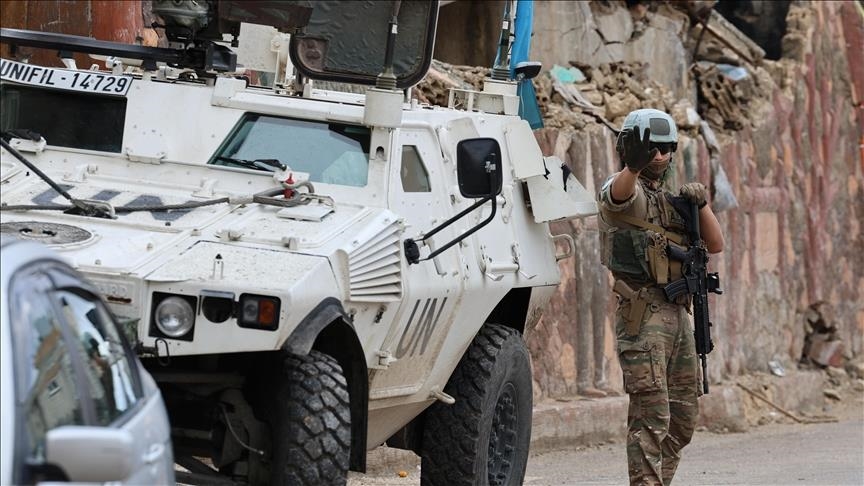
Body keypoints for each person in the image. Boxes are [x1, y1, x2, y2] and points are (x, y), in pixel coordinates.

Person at [597, 108, 724, 485]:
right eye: (651, 148)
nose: (659, 155)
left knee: (682, 421)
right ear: (631, 149)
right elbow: (618, 196)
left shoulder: (672, 200)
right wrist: (632, 167)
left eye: (666, 148)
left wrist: (701, 205)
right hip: (643, 316)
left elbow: (716, 243)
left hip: (678, 316)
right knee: (650, 418)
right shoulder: (626, 189)